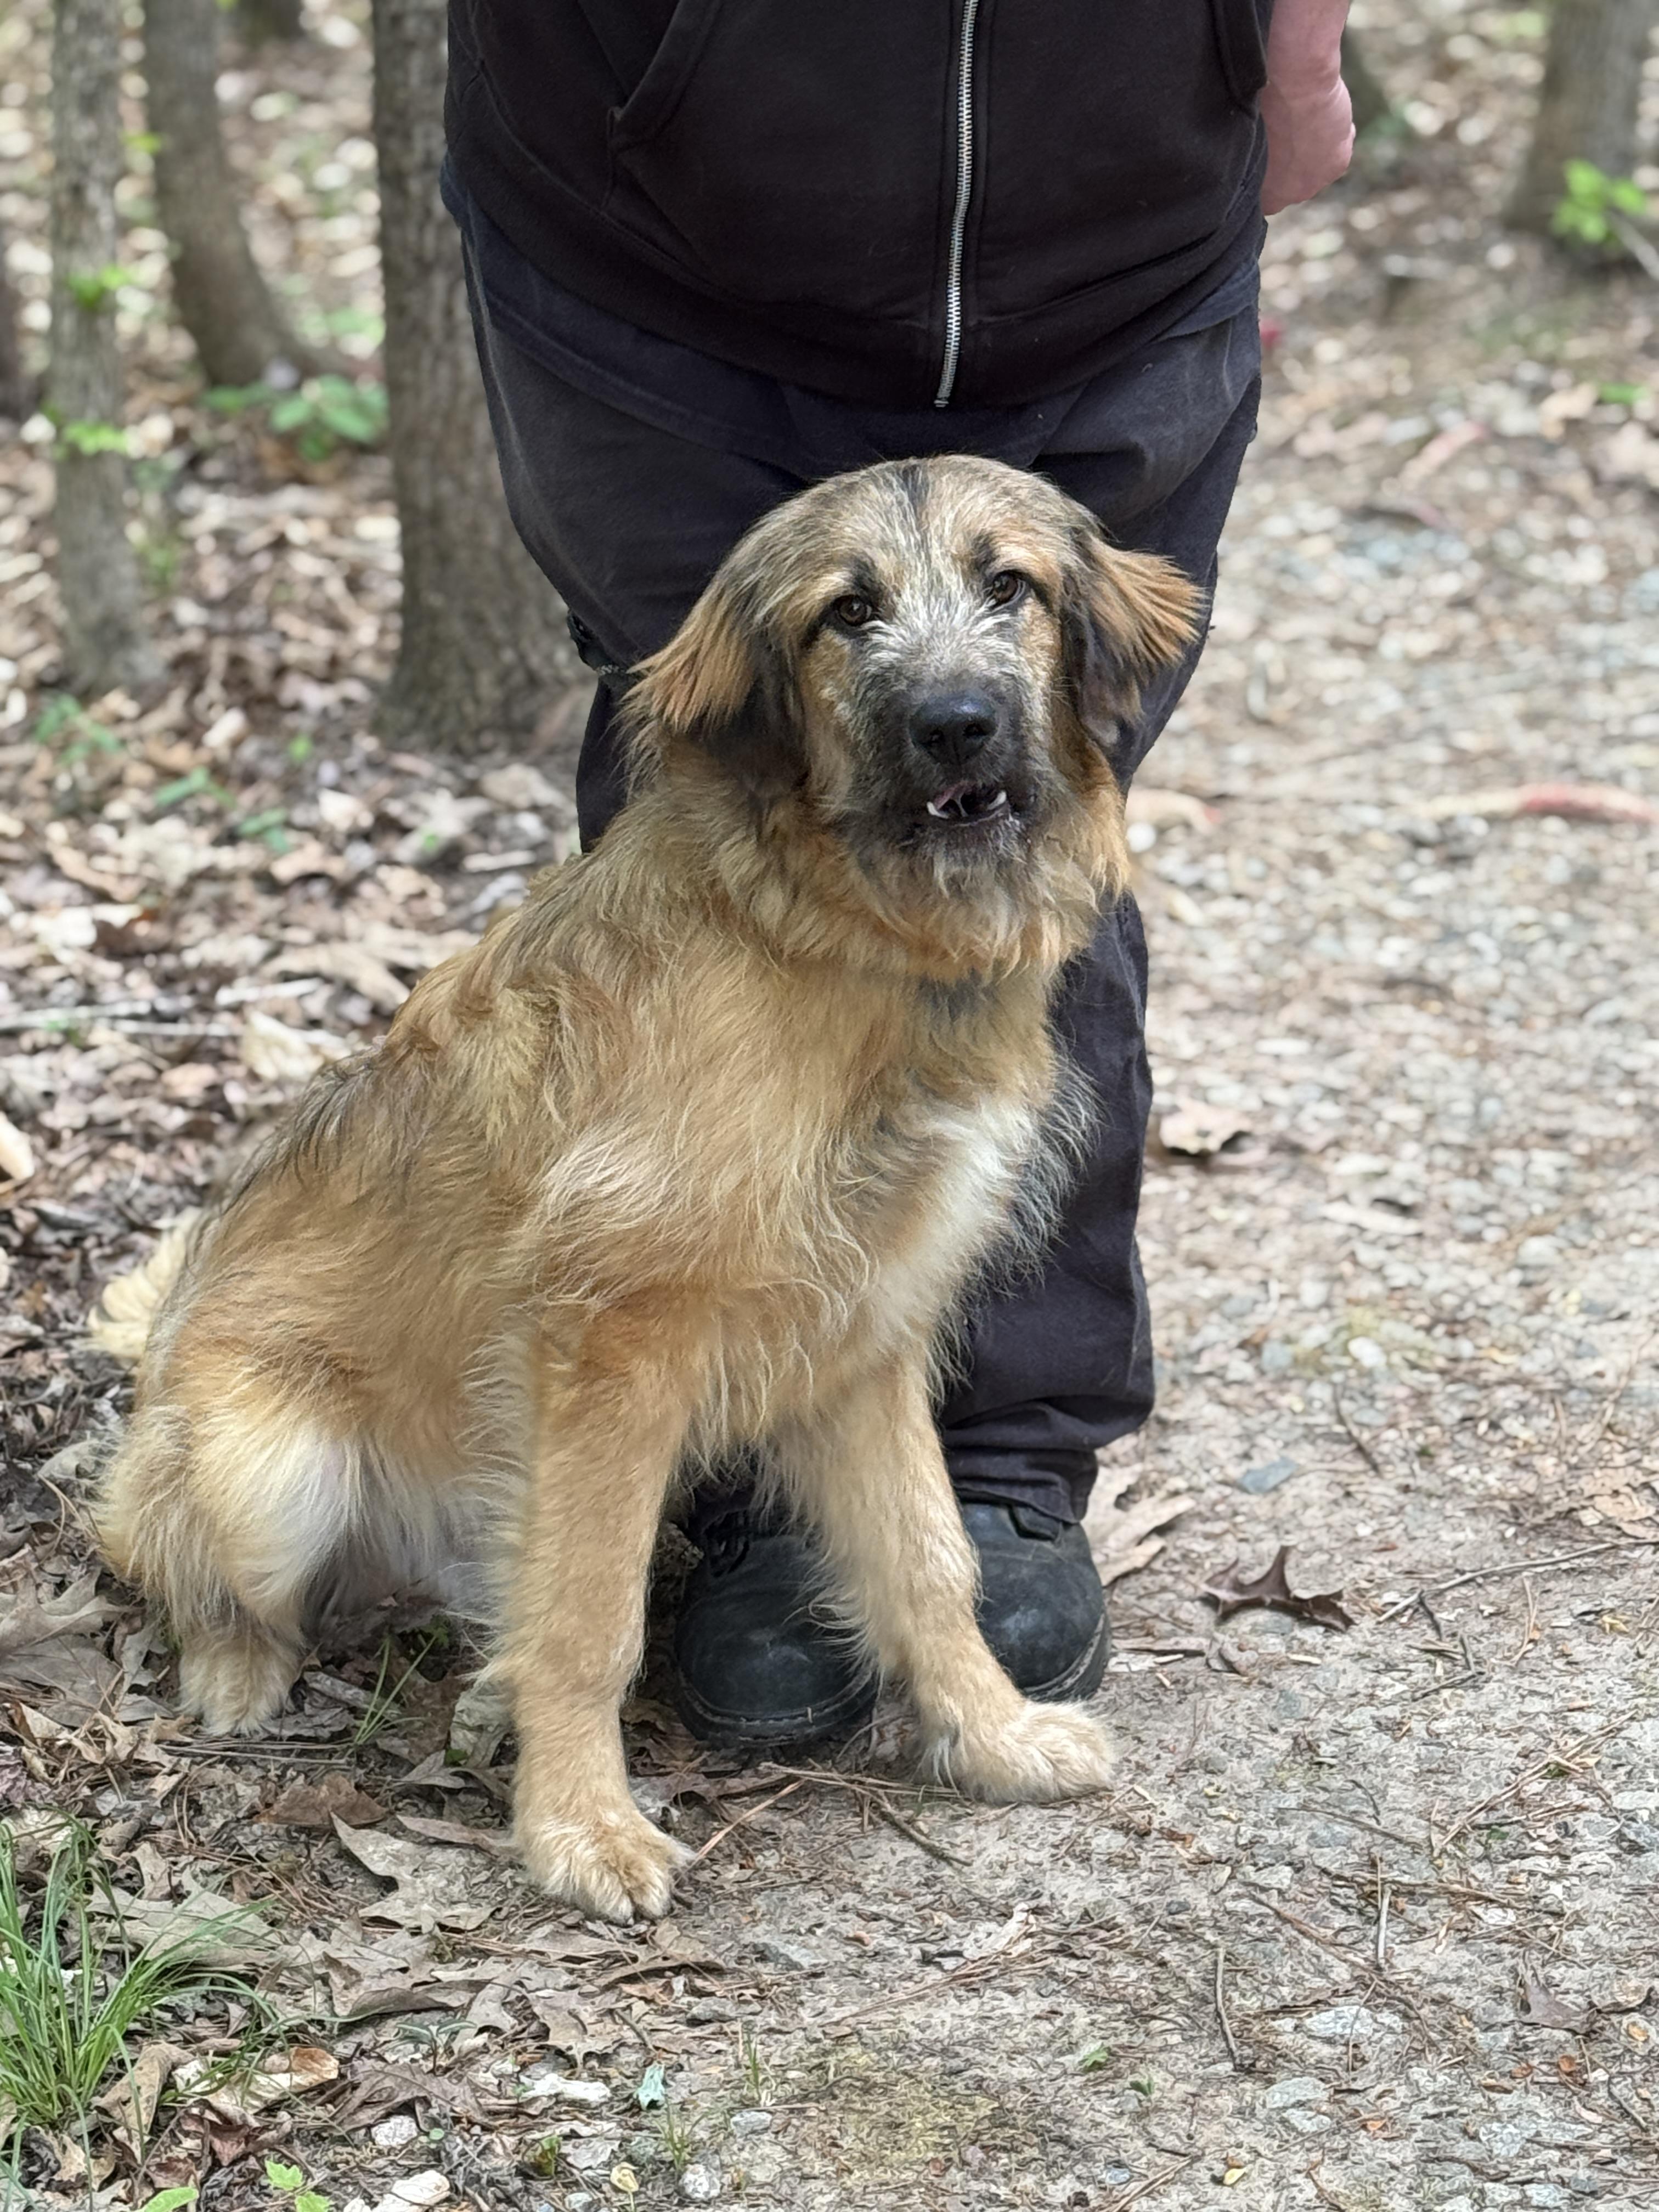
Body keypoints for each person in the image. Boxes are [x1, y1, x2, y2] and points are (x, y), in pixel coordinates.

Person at [441, 0, 1354, 1748]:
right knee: (731, 797)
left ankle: (1001, 1462)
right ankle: (734, 1469)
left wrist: (1286, 61)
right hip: (654, 247)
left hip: (1114, 239)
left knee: (1025, 810)